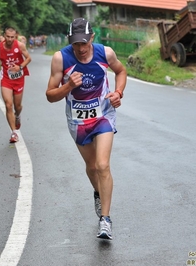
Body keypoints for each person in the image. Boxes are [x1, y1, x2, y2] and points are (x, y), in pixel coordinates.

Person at [45, 18, 127, 240]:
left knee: (102, 165)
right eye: (75, 44)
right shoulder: (61, 58)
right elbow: (50, 95)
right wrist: (68, 86)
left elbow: (121, 71)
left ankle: (106, 220)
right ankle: (98, 193)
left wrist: (118, 93)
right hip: (78, 121)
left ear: (92, 37)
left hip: (103, 115)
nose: (80, 49)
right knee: (91, 167)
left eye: (84, 43)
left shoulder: (105, 53)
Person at [0, 27, 32, 143]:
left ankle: (17, 116)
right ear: (4, 35)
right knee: (8, 105)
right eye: (7, 36)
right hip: (6, 79)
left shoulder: (20, 46)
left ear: (15, 36)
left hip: (19, 78)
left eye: (12, 37)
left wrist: (20, 67)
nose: (9, 39)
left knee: (17, 106)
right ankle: (14, 133)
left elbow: (28, 58)